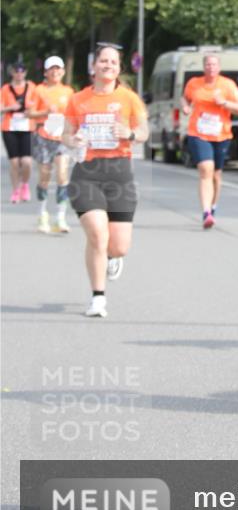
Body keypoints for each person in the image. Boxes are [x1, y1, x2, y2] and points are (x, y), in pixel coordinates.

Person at [63, 44, 148, 318]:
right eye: (103, 61)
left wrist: (130, 134)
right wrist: (72, 139)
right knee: (97, 235)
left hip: (120, 174)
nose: (107, 65)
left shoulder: (129, 98)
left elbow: (144, 131)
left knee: (118, 245)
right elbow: (65, 133)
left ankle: (112, 257)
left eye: (113, 62)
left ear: (119, 68)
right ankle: (98, 297)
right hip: (87, 173)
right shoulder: (78, 100)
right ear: (94, 66)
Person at [181, 53, 238, 229]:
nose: (211, 67)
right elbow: (184, 98)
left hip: (221, 135)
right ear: (204, 67)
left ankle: (213, 206)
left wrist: (224, 103)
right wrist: (185, 107)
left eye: (214, 64)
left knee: (216, 175)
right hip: (198, 133)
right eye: (208, 64)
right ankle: (206, 212)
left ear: (219, 67)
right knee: (205, 170)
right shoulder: (194, 83)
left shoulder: (227, 85)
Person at [26, 55, 74, 233]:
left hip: (61, 137)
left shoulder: (69, 92)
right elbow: (29, 113)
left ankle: (60, 217)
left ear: (63, 71)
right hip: (43, 136)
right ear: (45, 72)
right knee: (45, 177)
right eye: (51, 69)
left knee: (62, 174)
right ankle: (42, 213)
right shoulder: (38, 90)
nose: (55, 72)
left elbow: (74, 114)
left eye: (58, 68)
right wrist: (46, 111)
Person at [1, 61, 36, 203]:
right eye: (16, 71)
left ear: (25, 73)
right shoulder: (5, 89)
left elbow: (37, 104)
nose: (19, 74)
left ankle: (25, 185)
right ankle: (15, 190)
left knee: (26, 161)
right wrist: (11, 107)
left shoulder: (32, 87)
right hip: (10, 127)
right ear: (12, 73)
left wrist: (31, 111)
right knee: (14, 162)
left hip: (27, 126)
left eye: (22, 71)